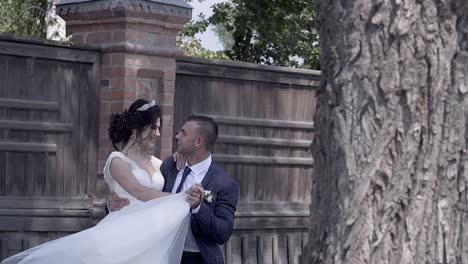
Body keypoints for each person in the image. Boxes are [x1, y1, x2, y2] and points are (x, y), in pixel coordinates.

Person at [1, 99, 201, 264]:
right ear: (136, 129)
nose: (158, 134)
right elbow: (138, 191)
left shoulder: (160, 163)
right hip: (122, 233)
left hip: (153, 236)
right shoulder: (117, 160)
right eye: (153, 128)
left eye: (159, 128)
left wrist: (179, 155)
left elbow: (168, 185)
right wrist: (183, 197)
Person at [109, 115, 240, 264]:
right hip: (162, 254)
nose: (177, 136)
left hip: (198, 258)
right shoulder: (170, 165)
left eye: (183, 133)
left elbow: (223, 233)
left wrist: (198, 207)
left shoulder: (225, 183)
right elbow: (148, 198)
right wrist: (113, 205)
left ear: (198, 142)